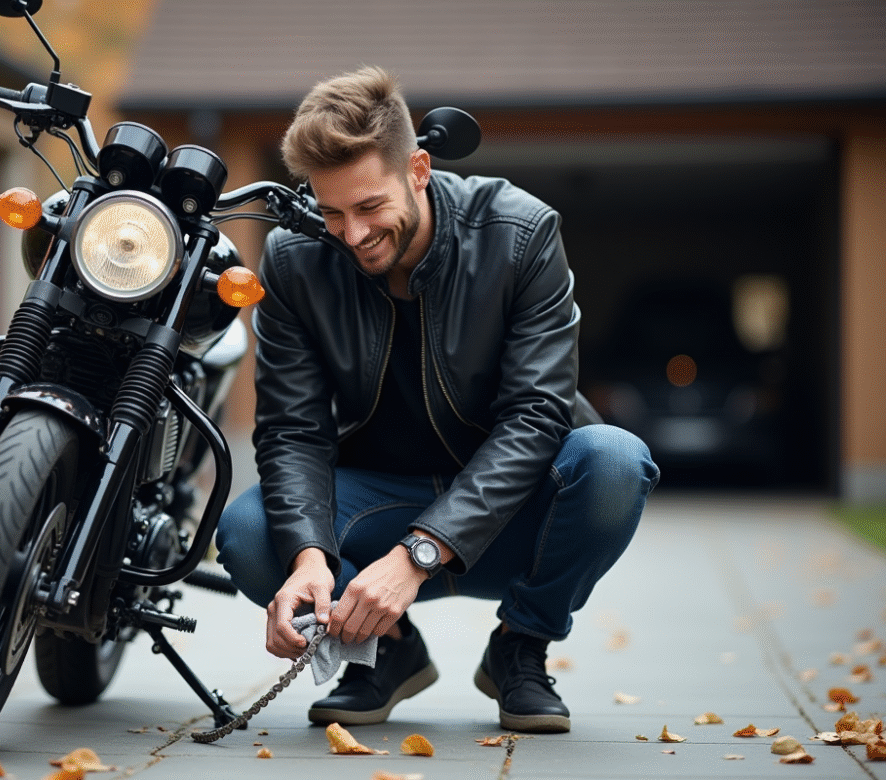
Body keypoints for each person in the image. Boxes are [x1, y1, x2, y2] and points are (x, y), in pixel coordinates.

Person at [214, 65, 659, 733]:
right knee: (251, 532)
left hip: (514, 513)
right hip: (378, 501)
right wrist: (309, 558)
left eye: (369, 207)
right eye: (331, 211)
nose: (352, 233)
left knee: (614, 461)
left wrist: (420, 553)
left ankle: (520, 647)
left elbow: (537, 417)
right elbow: (291, 431)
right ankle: (381, 653)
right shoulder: (294, 260)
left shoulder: (520, 233)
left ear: (417, 169)